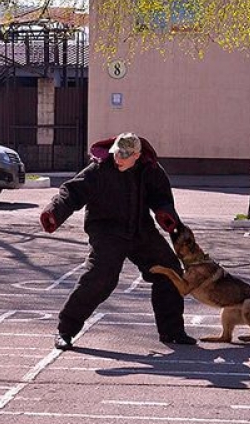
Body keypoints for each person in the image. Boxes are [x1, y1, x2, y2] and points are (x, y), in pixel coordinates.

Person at [40, 132, 196, 350]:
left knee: (169, 270)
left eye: (125, 156)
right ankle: (65, 330)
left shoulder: (150, 169)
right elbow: (71, 192)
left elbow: (161, 197)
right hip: (106, 230)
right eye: (116, 154)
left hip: (140, 230)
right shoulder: (99, 169)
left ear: (137, 156)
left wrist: (164, 213)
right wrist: (54, 212)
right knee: (100, 278)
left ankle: (172, 332)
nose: (118, 159)